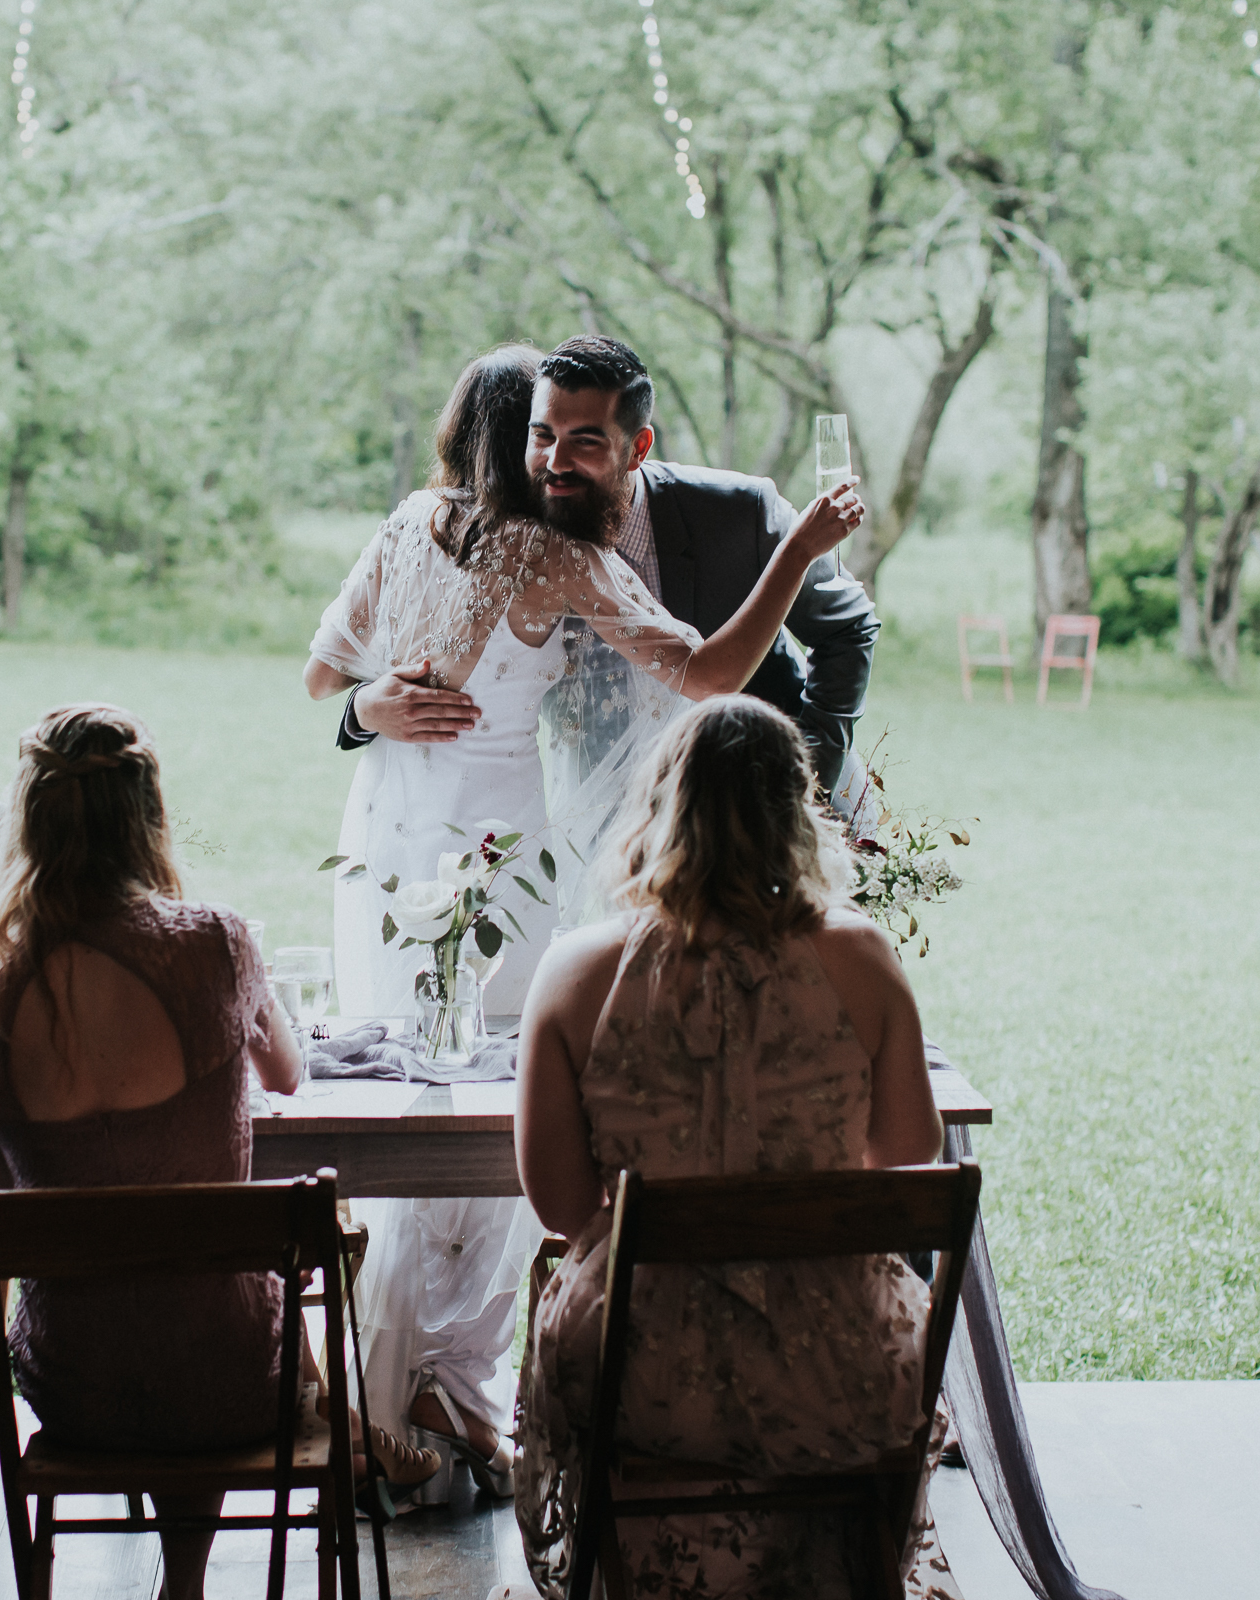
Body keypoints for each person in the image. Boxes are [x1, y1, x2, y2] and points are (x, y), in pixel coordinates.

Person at [302, 345, 860, 1506]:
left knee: (413, 1101)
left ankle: (414, 1392)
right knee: (506, 1111)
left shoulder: (409, 521)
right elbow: (711, 672)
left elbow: (321, 676)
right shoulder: (553, 553)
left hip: (385, 838)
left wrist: (371, 704)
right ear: (521, 443)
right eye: (544, 437)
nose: (556, 459)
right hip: (492, 852)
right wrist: (801, 550)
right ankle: (419, 1389)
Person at [0, 704, 432, 1598]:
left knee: (173, 1310)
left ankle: (231, 1540)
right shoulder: (213, 945)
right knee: (223, 1312)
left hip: (72, 1382)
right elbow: (287, 1074)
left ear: (25, 823)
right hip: (230, 1383)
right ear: (149, 818)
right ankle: (191, 1577)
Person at [508, 696, 957, 1599]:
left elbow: (560, 1206)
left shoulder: (575, 973)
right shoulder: (862, 959)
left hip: (643, 1368)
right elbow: (911, 1148)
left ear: (658, 808)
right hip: (833, 1363)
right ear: (798, 813)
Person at [336, 333, 881, 816]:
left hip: (770, 802)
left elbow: (848, 628)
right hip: (608, 832)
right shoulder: (517, 548)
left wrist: (808, 777)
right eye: (542, 435)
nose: (556, 462)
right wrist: (361, 710)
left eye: (586, 441)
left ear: (637, 447)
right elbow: (442, 668)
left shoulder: (740, 511)